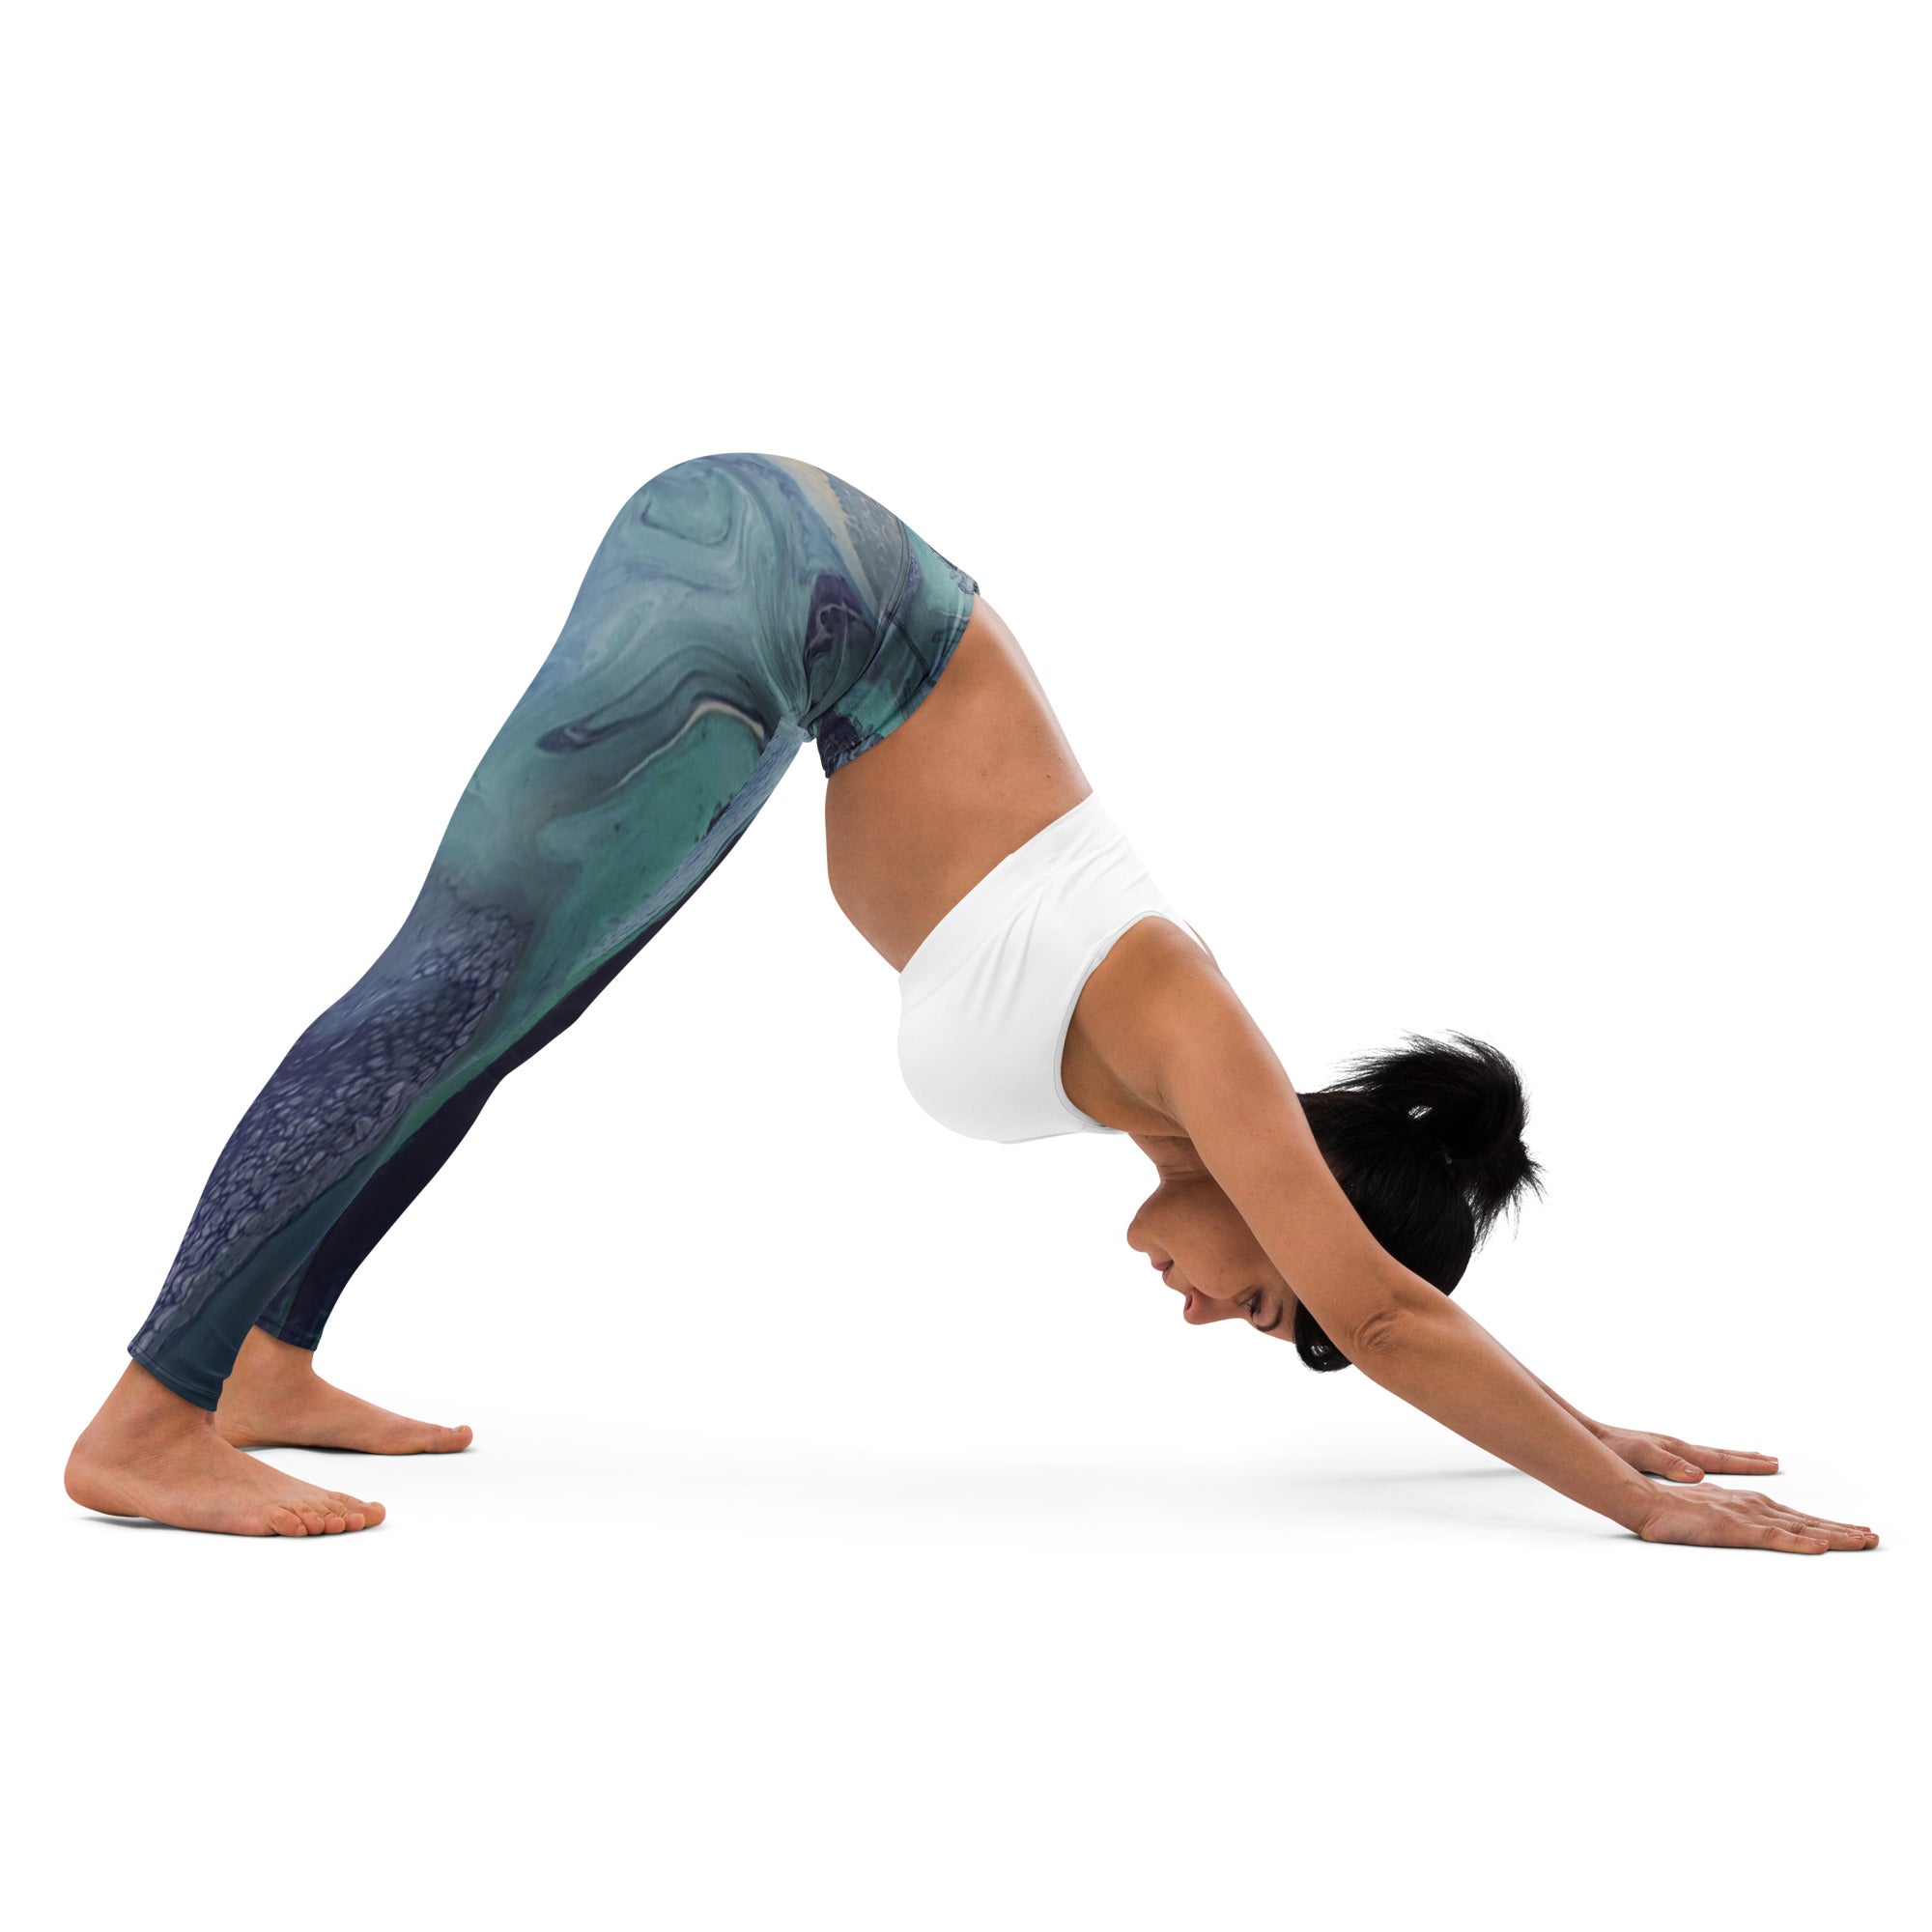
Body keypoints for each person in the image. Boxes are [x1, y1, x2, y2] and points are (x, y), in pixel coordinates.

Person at [65, 454, 1877, 1552]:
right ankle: (148, 1421)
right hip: (777, 578)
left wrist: (1585, 1421)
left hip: (802, 630)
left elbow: (1386, 1304)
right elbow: (1389, 1315)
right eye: (1264, 1301)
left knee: (509, 1014)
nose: (1208, 1313)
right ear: (1300, 1201)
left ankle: (266, 1363)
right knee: (453, 979)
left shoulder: (1166, 1086)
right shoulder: (1195, 1033)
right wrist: (1635, 1501)